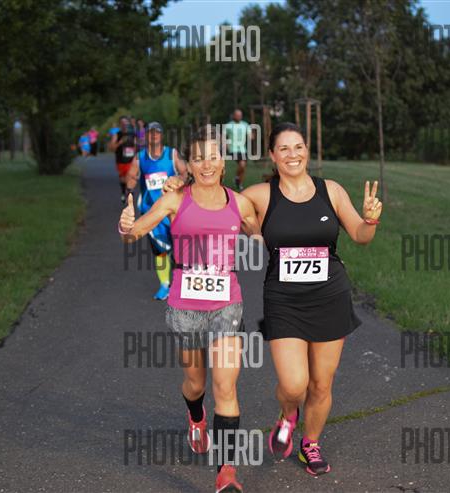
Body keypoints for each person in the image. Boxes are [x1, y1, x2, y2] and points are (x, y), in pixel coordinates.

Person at [163, 122, 382, 477]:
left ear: (307, 151)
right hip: (284, 299)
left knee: (321, 383)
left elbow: (360, 235)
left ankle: (310, 444)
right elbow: (214, 197)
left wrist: (370, 220)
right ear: (272, 156)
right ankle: (288, 413)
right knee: (294, 384)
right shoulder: (260, 195)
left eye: (298, 147)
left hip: (330, 295)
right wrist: (179, 187)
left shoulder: (331, 191)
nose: (292, 154)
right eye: (284, 148)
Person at [119, 125, 261, 493]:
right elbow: (135, 233)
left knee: (225, 386)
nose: (207, 164)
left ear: (223, 163)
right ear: (190, 165)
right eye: (199, 158)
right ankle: (196, 417)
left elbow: (260, 234)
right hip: (186, 307)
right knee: (196, 383)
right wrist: (126, 226)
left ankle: (226, 471)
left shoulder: (239, 203)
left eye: (213, 157)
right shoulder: (175, 200)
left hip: (227, 304)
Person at [126, 121, 187, 300]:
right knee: (159, 250)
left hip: (174, 210)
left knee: (179, 249)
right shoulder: (140, 157)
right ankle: (164, 285)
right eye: (150, 132)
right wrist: (130, 188)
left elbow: (185, 173)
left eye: (157, 132)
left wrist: (178, 179)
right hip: (151, 211)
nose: (154, 135)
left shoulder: (172, 154)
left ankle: (180, 282)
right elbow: (131, 177)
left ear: (161, 135)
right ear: (146, 135)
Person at [109, 117, 137, 204]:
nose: (125, 125)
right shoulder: (117, 135)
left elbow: (137, 146)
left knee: (131, 176)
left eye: (126, 123)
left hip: (131, 160)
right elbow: (112, 148)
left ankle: (130, 193)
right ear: (120, 125)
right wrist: (120, 143)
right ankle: (123, 192)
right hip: (121, 160)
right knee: (123, 178)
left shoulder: (133, 134)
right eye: (123, 123)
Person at [224, 109, 251, 191]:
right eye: (237, 115)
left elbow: (250, 135)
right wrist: (226, 145)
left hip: (243, 149)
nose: (239, 117)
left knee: (243, 167)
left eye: (240, 115)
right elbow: (224, 136)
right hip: (233, 149)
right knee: (242, 164)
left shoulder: (245, 124)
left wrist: (251, 136)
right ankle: (236, 178)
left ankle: (239, 184)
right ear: (234, 116)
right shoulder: (228, 125)